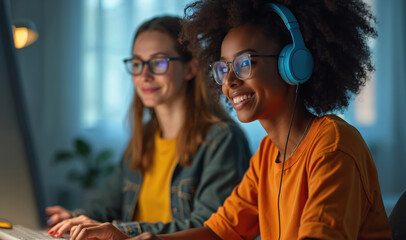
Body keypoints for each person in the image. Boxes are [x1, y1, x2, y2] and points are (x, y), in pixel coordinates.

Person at [66, 0, 393, 239]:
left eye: (245, 63)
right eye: (223, 67)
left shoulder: (332, 146)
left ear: (293, 65)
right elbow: (218, 232)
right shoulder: (268, 154)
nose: (229, 81)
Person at [45, 15, 251, 238]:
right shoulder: (143, 137)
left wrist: (121, 232)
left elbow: (208, 229)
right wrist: (73, 220)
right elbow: (104, 207)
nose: (144, 75)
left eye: (158, 63)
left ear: (190, 69)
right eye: (136, 64)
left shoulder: (222, 139)